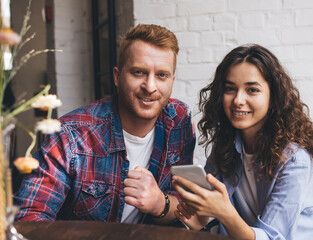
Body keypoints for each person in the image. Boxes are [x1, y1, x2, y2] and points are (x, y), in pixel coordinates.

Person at [14, 24, 196, 225]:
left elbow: (182, 204)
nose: (150, 87)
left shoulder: (179, 120)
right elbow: (28, 220)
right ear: (117, 77)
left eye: (162, 75)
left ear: (172, 80)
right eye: (138, 72)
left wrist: (161, 203)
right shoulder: (70, 136)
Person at [172, 44, 313, 239]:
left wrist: (225, 213)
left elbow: (271, 237)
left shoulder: (296, 161)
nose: (238, 100)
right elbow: (211, 209)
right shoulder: (227, 147)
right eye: (230, 89)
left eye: (252, 90)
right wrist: (201, 218)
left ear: (273, 96)